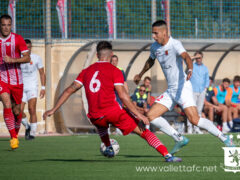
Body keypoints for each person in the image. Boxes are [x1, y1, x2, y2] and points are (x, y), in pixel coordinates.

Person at [43, 41, 181, 162]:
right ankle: (167, 155)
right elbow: (123, 96)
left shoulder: (86, 71)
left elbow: (69, 90)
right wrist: (139, 115)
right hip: (113, 112)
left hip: (95, 115)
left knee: (101, 125)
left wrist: (53, 109)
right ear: (111, 55)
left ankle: (108, 147)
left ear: (97, 55)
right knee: (144, 132)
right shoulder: (115, 71)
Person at [134, 20, 234, 151]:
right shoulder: (154, 47)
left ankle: (224, 138)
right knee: (150, 116)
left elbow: (186, 57)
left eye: (155, 33)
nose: (153, 36)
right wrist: (140, 74)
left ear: (164, 32)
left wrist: (190, 69)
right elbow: (151, 60)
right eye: (152, 33)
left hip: (183, 88)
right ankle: (179, 138)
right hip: (171, 90)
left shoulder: (175, 44)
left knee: (195, 120)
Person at [0, 14, 30, 149]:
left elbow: (27, 58)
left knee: (17, 111)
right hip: (2, 78)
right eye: (3, 25)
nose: (6, 28)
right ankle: (13, 137)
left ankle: (15, 134)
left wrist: (13, 60)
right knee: (6, 102)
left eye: (8, 25)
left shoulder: (17, 39)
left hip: (17, 80)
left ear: (11, 25)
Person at [20, 39, 46, 140]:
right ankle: (27, 126)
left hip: (32, 87)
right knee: (18, 111)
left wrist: (43, 87)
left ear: (31, 47)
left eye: (29, 47)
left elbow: (42, 73)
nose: (28, 49)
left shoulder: (36, 58)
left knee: (32, 109)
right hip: (21, 88)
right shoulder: (18, 58)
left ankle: (32, 133)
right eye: (26, 47)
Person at [188, 51, 209, 134]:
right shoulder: (191, 65)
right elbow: (187, 60)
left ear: (202, 58)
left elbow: (207, 79)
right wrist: (194, 57)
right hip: (193, 90)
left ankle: (196, 128)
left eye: (200, 57)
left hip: (202, 91)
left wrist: (205, 88)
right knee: (190, 109)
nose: (198, 59)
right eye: (197, 58)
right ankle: (190, 127)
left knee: (199, 110)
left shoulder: (205, 68)